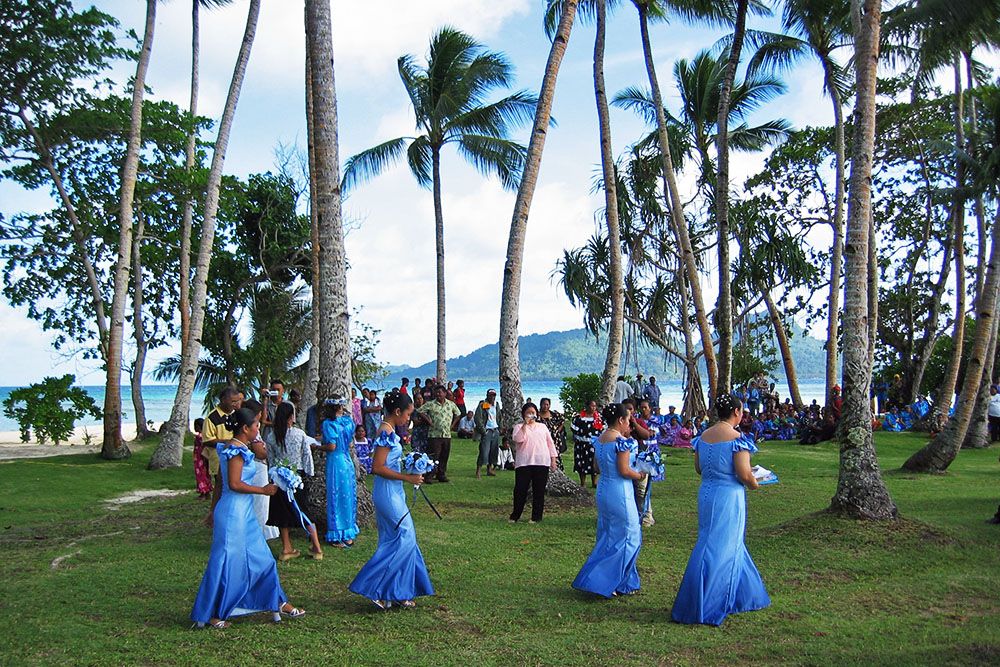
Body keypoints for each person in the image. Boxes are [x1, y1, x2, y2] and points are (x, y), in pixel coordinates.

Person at [190, 407, 305, 629]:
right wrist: (262, 490)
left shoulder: (238, 447)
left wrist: (213, 510)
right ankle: (213, 614)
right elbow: (232, 484)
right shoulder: (235, 450)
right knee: (225, 563)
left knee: (263, 558)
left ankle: (276, 601)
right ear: (245, 428)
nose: (258, 429)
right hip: (233, 513)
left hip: (244, 513)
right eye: (256, 426)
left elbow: (223, 483)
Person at [671, 393, 770, 626]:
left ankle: (744, 595)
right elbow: (745, 474)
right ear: (736, 412)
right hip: (728, 495)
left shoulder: (703, 436)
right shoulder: (737, 438)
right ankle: (706, 601)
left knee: (719, 540)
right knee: (720, 546)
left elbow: (699, 468)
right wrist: (757, 482)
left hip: (707, 493)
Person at [349, 390, 434, 609]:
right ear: (397, 412)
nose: (409, 419)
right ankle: (376, 586)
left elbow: (389, 462)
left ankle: (398, 590)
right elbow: (377, 467)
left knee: (393, 539)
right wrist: (407, 477)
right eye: (408, 414)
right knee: (405, 536)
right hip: (387, 492)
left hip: (394, 490)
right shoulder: (385, 433)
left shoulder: (390, 431)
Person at [572, 403, 645, 597]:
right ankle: (607, 580)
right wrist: (640, 474)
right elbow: (624, 470)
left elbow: (596, 467)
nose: (629, 423)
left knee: (608, 533)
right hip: (620, 490)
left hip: (603, 487)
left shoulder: (600, 439)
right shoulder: (622, 441)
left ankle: (621, 580)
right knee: (630, 534)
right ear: (621, 420)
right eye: (628, 420)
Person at [264, 402, 323, 561]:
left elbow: (270, 459)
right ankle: (316, 546)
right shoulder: (299, 434)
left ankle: (286, 548)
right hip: (297, 477)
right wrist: (309, 473)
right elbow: (306, 455)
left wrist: (272, 476)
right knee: (302, 509)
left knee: (282, 512)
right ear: (292, 416)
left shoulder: (271, 436)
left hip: (279, 477)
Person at [509, 402, 559, 523]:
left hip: (541, 462)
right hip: (524, 463)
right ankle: (516, 515)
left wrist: (553, 459)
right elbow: (518, 439)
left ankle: (536, 517)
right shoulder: (518, 427)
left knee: (539, 490)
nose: (531, 415)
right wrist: (525, 425)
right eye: (528, 413)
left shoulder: (542, 427)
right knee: (520, 489)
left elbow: (550, 443)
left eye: (533, 413)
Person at [200, 386, 243, 525]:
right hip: (218, 459)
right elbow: (207, 440)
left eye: (237, 401)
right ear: (223, 400)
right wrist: (228, 443)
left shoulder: (235, 414)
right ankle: (214, 515)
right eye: (233, 401)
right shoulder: (212, 418)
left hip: (235, 458)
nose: (235, 404)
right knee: (221, 488)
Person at [321, 398, 359, 547]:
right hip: (346, 459)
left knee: (336, 496)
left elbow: (331, 446)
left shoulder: (328, 424)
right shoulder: (347, 422)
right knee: (347, 496)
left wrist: (317, 447)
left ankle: (337, 533)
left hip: (335, 461)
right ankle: (348, 531)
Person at [242, 398, 280, 542]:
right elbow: (260, 452)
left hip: (255, 466)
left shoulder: (251, 429)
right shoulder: (253, 432)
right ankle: (260, 530)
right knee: (260, 502)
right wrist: (267, 450)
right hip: (258, 467)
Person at [417, 384, 461, 483]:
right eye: (436, 393)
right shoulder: (431, 404)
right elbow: (420, 411)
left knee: (444, 455)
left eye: (440, 392)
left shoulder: (450, 404)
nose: (438, 394)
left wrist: (453, 425)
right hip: (434, 435)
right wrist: (428, 420)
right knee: (433, 456)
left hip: (446, 434)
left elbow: (458, 414)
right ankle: (429, 475)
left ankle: (441, 475)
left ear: (445, 393)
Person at [573, 400, 603, 488]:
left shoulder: (599, 417)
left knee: (594, 463)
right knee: (582, 463)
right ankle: (583, 483)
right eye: (591, 406)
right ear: (587, 406)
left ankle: (595, 482)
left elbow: (603, 427)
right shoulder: (579, 417)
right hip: (581, 444)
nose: (593, 408)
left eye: (595, 406)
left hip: (594, 444)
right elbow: (574, 428)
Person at [474, 389, 501, 479]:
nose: (492, 397)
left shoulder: (496, 405)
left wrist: (500, 428)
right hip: (487, 430)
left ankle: (489, 469)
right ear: (487, 395)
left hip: (495, 429)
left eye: (494, 395)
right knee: (484, 451)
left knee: (494, 451)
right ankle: (478, 470)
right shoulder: (483, 405)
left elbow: (499, 416)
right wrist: (483, 430)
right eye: (491, 395)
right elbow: (478, 418)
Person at [537, 398, 567, 469]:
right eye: (544, 404)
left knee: (555, 455)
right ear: (541, 405)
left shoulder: (554, 414)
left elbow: (562, 420)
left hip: (554, 440)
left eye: (547, 404)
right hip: (542, 440)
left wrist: (557, 430)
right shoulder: (537, 416)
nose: (545, 406)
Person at [261, 379, 286, 443]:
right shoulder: (267, 404)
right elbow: (263, 420)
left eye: (278, 390)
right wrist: (265, 399)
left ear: (283, 391)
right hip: (268, 436)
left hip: (283, 436)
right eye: (274, 390)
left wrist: (273, 424)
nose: (276, 392)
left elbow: (289, 423)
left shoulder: (287, 405)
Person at [192, 418, 212, 499]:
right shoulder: (206, 436)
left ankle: (203, 492)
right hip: (206, 457)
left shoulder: (199, 436)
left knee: (200, 475)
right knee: (206, 475)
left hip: (199, 458)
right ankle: (207, 492)